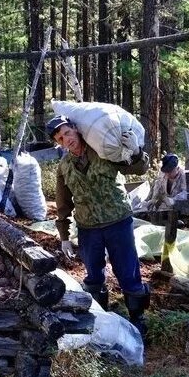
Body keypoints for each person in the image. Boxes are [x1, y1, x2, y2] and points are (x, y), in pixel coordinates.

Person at [46, 114, 151, 336]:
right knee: (93, 275)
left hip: (117, 221)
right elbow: (63, 203)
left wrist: (136, 152)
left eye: (67, 133)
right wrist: (64, 236)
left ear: (76, 130)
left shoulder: (103, 149)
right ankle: (101, 321)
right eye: (60, 138)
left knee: (128, 270)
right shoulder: (64, 166)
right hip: (88, 227)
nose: (66, 139)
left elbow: (138, 169)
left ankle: (137, 319)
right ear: (59, 143)